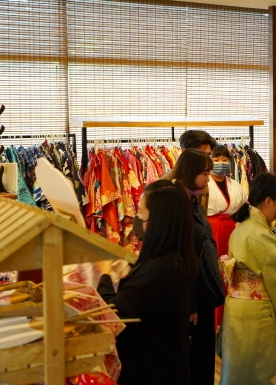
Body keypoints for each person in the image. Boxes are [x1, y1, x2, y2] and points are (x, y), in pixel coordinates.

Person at [97, 179, 198, 384]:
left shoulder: (160, 269)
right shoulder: (175, 258)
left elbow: (114, 317)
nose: (137, 219)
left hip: (149, 370)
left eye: (141, 214)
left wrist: (104, 275)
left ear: (158, 221)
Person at [217, 173, 276, 384]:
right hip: (254, 310)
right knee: (256, 369)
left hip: (236, 307)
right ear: (268, 201)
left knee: (238, 368)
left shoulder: (243, 227)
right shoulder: (257, 233)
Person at [167, 149, 224, 385]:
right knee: (196, 356)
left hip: (201, 290)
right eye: (204, 173)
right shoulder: (176, 203)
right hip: (192, 294)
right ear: (190, 172)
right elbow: (179, 254)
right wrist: (189, 299)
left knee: (202, 354)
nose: (209, 178)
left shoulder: (191, 199)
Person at [207, 144, 247, 328]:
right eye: (216, 160)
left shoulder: (234, 184)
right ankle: (214, 318)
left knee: (231, 273)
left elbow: (243, 206)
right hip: (212, 230)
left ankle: (230, 317)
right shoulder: (204, 183)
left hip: (232, 231)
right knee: (215, 273)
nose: (220, 163)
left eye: (224, 159)